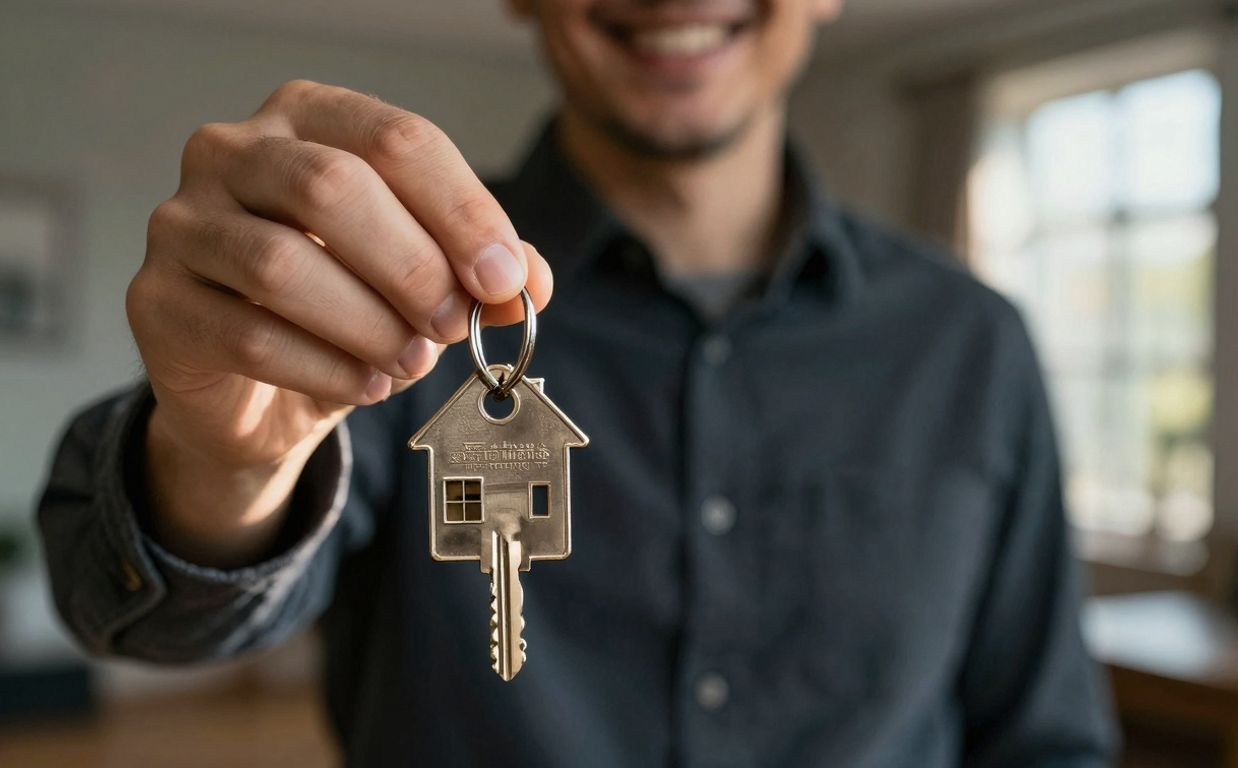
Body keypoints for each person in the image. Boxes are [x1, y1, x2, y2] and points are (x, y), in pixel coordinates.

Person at [37, 0, 1117, 765]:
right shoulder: (389, 297)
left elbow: (1042, 734)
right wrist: (221, 463)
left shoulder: (970, 342)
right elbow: (147, 617)